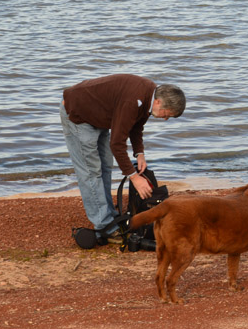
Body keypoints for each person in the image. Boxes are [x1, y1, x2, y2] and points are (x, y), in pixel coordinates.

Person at [59, 74, 186, 244]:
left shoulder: (150, 96)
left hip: (101, 117)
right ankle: (104, 225)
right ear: (158, 102)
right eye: (166, 114)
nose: (165, 118)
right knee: (91, 171)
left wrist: (139, 153)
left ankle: (108, 215)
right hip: (78, 115)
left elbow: (136, 125)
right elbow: (117, 144)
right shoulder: (133, 101)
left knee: (105, 166)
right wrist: (134, 177)